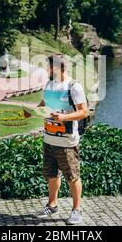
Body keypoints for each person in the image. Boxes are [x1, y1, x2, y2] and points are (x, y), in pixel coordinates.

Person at [36, 54, 88, 225]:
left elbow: (83, 112)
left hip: (66, 140)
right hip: (49, 138)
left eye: (48, 67)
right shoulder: (49, 84)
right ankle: (52, 205)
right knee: (51, 174)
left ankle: (77, 210)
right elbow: (44, 104)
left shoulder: (74, 87)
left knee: (72, 176)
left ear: (57, 68)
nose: (46, 70)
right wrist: (33, 111)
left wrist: (63, 118)